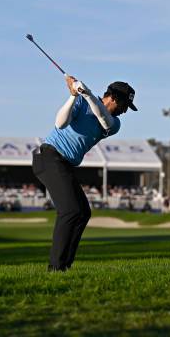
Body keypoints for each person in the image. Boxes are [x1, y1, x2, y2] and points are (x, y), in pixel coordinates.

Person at [32, 75, 137, 272]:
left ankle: (64, 265)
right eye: (124, 105)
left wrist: (88, 94)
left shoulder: (114, 123)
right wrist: (73, 95)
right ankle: (56, 267)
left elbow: (103, 118)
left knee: (82, 213)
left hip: (63, 164)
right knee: (70, 211)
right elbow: (60, 124)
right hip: (48, 159)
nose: (124, 111)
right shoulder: (80, 101)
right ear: (113, 98)